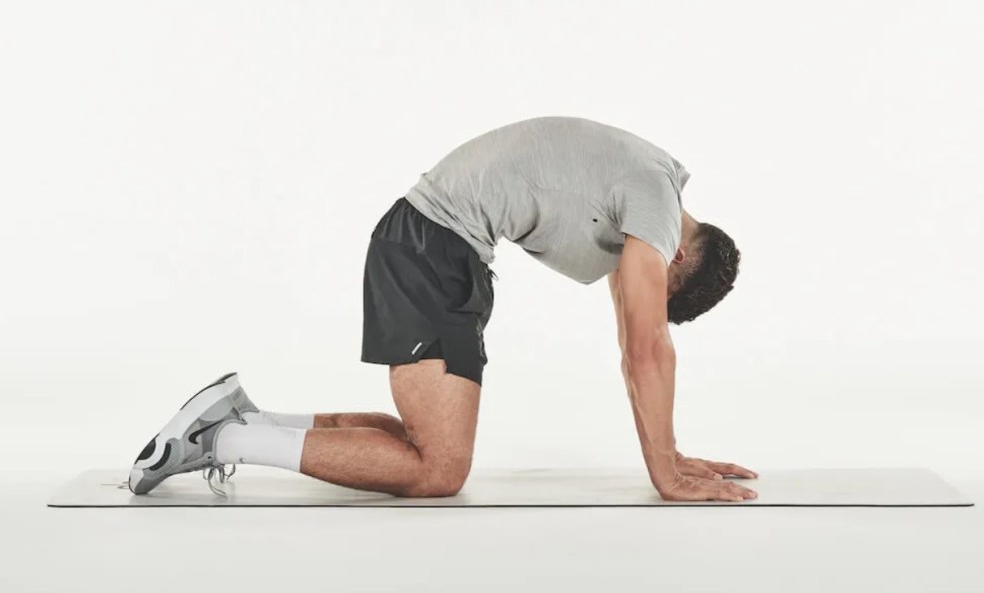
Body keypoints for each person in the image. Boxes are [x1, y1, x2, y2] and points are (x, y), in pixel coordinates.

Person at [128, 115, 758, 502]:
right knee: (438, 470)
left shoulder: (645, 188)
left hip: (439, 250)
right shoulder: (656, 205)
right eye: (659, 291)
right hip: (433, 248)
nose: (638, 287)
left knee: (418, 442)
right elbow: (647, 347)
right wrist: (667, 476)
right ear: (677, 261)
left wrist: (670, 456)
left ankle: (247, 417)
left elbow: (632, 346)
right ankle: (222, 440)